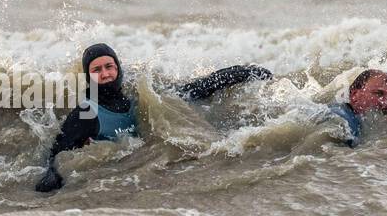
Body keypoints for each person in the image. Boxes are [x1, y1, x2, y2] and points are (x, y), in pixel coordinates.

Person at [34, 43, 271, 192]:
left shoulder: (140, 95)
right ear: (88, 76)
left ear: (118, 68)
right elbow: (58, 153)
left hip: (147, 168)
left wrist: (241, 73)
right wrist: (52, 177)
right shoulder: (86, 114)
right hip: (116, 179)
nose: (105, 74)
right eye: (97, 70)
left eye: (110, 66)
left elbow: (193, 90)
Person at [327, 69, 387, 147]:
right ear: (355, 95)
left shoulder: (352, 117)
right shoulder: (341, 119)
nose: (386, 103)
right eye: (378, 93)